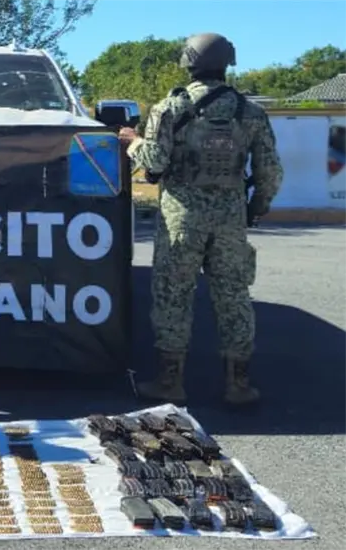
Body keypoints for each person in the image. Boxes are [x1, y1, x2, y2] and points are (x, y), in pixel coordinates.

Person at [118, 33, 283, 406]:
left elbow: (156, 161)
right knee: (234, 296)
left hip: (182, 219)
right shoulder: (250, 112)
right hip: (230, 217)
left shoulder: (171, 108)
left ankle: (170, 381)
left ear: (188, 61)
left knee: (173, 295)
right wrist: (257, 206)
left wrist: (131, 140)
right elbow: (270, 171)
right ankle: (238, 384)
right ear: (227, 63)